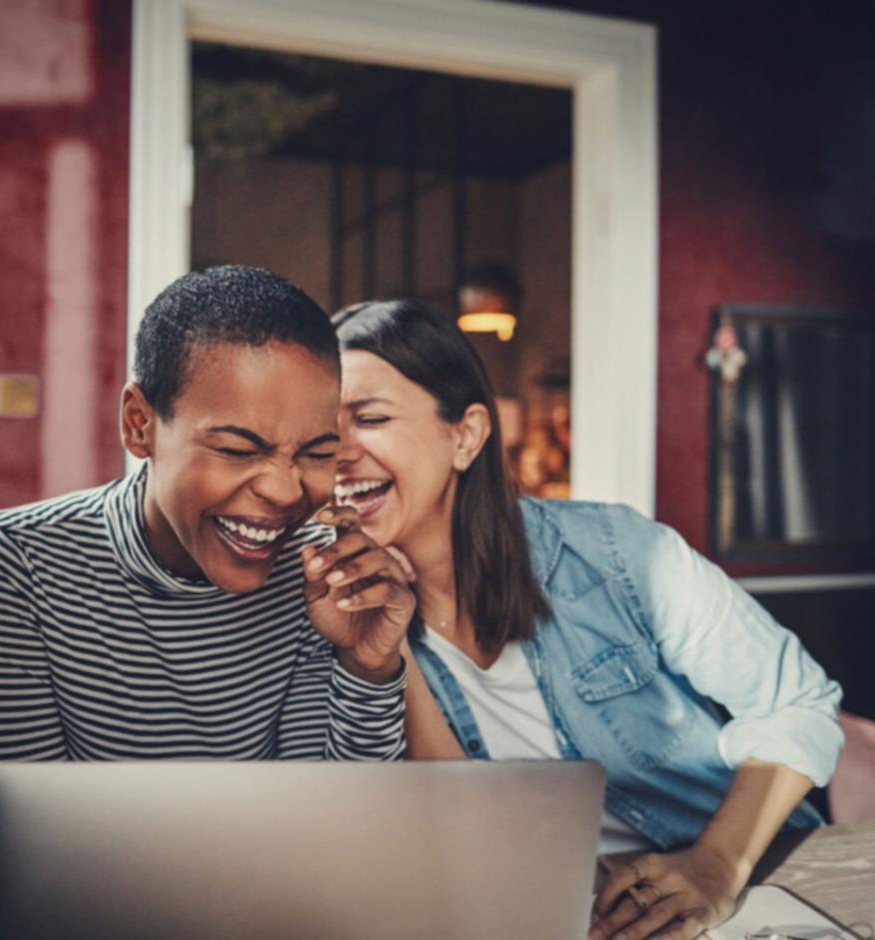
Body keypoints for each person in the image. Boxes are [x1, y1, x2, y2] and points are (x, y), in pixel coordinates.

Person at [0, 266, 415, 939]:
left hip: (249, 912)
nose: (282, 488)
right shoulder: (14, 562)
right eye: (240, 447)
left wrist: (367, 665)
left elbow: (329, 826)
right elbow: (33, 856)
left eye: (317, 451)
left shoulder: (322, 572)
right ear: (140, 425)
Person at [331, 298, 843, 940]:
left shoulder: (617, 552)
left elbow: (797, 703)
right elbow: (456, 831)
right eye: (324, 433)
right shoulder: (338, 614)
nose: (339, 454)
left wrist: (715, 865)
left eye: (369, 419)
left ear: (465, 436)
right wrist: (387, 658)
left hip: (748, 894)